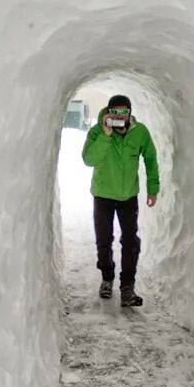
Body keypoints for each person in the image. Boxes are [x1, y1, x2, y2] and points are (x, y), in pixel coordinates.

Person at [81, 94, 159, 307]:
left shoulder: (140, 132)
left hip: (128, 197)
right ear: (108, 112)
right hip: (103, 195)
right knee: (104, 240)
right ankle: (107, 278)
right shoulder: (97, 131)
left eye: (124, 112)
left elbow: (151, 159)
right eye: (114, 112)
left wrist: (153, 189)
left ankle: (127, 288)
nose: (119, 117)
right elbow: (89, 159)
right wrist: (105, 135)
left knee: (130, 241)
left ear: (130, 113)